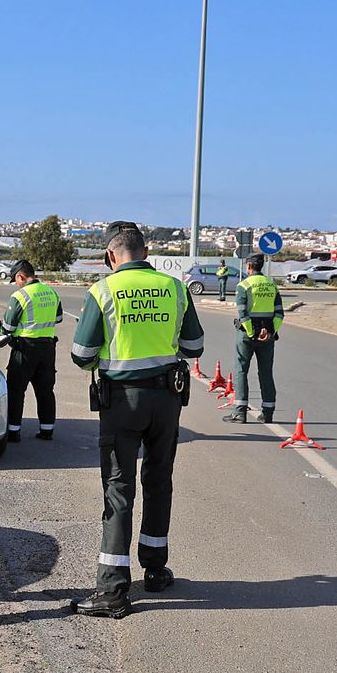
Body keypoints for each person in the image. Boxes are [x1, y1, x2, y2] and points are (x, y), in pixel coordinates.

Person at [68, 221, 205, 619]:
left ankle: (113, 588)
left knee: (119, 488)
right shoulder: (174, 288)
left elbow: (81, 355)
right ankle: (156, 568)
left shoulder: (103, 290)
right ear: (146, 253)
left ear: (110, 256)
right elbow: (194, 346)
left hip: (122, 402)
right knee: (159, 479)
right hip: (167, 399)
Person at [0, 259, 64, 441]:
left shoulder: (20, 296)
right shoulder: (52, 292)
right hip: (48, 348)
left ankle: (13, 432)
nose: (17, 284)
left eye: (16, 280)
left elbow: (8, 327)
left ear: (21, 276)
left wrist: (4, 328)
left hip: (25, 349)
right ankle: (47, 430)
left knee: (16, 390)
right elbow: (58, 318)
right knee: (45, 390)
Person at [223, 253, 283, 424]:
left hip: (247, 335)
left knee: (241, 370)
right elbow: (279, 313)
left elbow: (243, 313)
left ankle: (239, 412)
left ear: (249, 266)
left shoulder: (244, 285)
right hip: (268, 336)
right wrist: (270, 332)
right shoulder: (272, 285)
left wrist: (252, 333)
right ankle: (268, 413)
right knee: (266, 372)